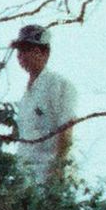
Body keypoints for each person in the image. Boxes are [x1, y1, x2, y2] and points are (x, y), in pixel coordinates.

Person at [9, 23, 76, 186]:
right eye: (19, 51)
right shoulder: (26, 97)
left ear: (43, 53)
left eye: (27, 50)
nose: (21, 56)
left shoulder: (58, 85)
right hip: (26, 177)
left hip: (50, 175)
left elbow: (66, 130)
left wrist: (58, 169)